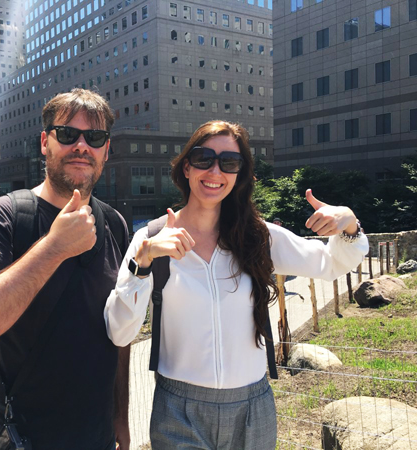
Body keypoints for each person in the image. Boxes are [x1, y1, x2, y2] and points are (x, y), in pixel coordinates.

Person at [104, 120, 368, 450]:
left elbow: (331, 263)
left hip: (252, 408)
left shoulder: (258, 236)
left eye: (229, 162)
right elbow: (119, 331)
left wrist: (349, 223)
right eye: (204, 159)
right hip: (178, 410)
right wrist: (142, 265)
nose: (215, 171)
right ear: (187, 167)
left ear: (239, 174)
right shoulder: (151, 239)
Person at [0, 88, 131, 450]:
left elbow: (119, 334)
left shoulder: (116, 225)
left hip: (96, 438)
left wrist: (121, 416)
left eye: (94, 137)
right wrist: (54, 248)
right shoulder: (3, 217)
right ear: (45, 142)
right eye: (67, 134)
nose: (81, 146)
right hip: (20, 439)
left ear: (106, 151)